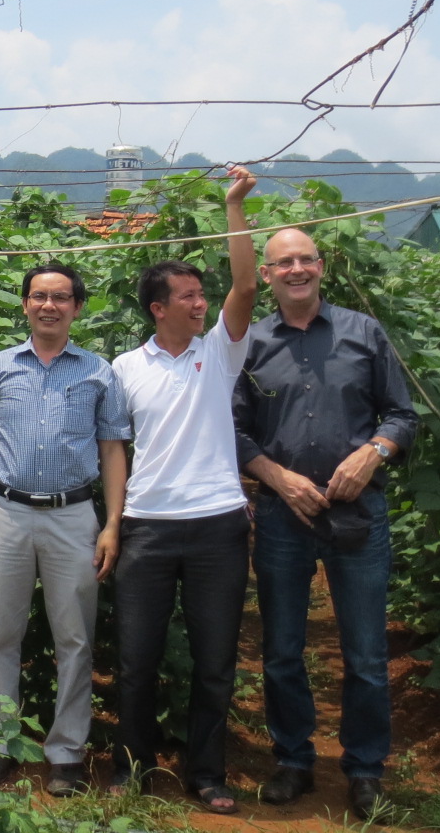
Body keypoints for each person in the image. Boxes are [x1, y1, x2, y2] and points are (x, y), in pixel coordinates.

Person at [233, 227, 418, 820]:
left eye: (305, 260)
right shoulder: (251, 343)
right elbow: (233, 429)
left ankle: (364, 770)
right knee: (282, 649)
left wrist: (373, 454)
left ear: (321, 266)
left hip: (357, 511)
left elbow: (402, 415)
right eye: (283, 263)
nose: (296, 270)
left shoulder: (364, 332)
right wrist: (277, 477)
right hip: (283, 514)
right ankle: (293, 760)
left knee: (365, 652)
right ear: (266, 275)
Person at [108, 166, 258, 815]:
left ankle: (207, 773)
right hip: (146, 526)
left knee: (215, 661)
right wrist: (114, 523)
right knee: (136, 660)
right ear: (158, 308)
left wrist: (234, 207)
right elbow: (114, 451)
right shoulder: (124, 368)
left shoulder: (218, 353)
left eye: (202, 295)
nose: (201, 304)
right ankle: (132, 765)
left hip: (218, 525)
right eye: (189, 297)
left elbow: (246, 285)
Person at [0, 263, 130, 796]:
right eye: (39, 296)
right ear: (25, 304)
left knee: (74, 639)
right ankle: (1, 744)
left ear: (76, 307)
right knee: (1, 635)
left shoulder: (99, 372)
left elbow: (112, 450)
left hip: (72, 516)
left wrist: (112, 524)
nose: (48, 305)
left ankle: (66, 753)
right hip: (6, 513)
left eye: (60, 297)